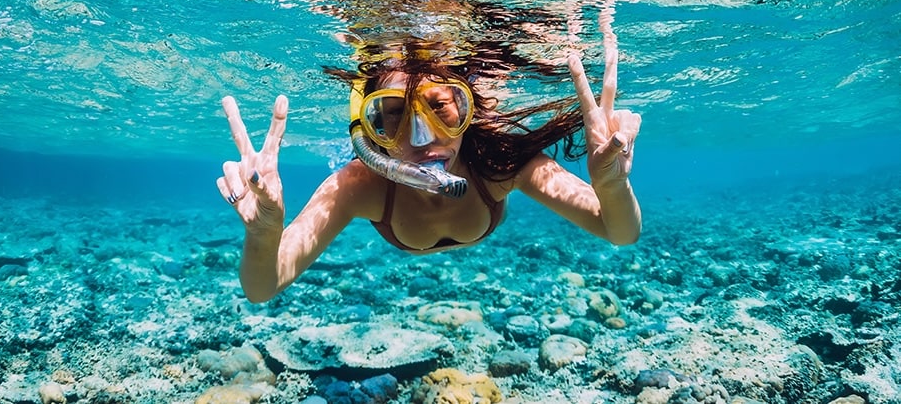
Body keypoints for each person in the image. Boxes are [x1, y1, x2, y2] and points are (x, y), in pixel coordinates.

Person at [216, 31, 641, 304]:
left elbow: (619, 231)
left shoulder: (496, 164)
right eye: (394, 115)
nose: (422, 138)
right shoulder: (361, 184)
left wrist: (611, 185)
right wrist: (263, 234)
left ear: (467, 111)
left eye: (441, 108)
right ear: (370, 131)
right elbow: (262, 288)